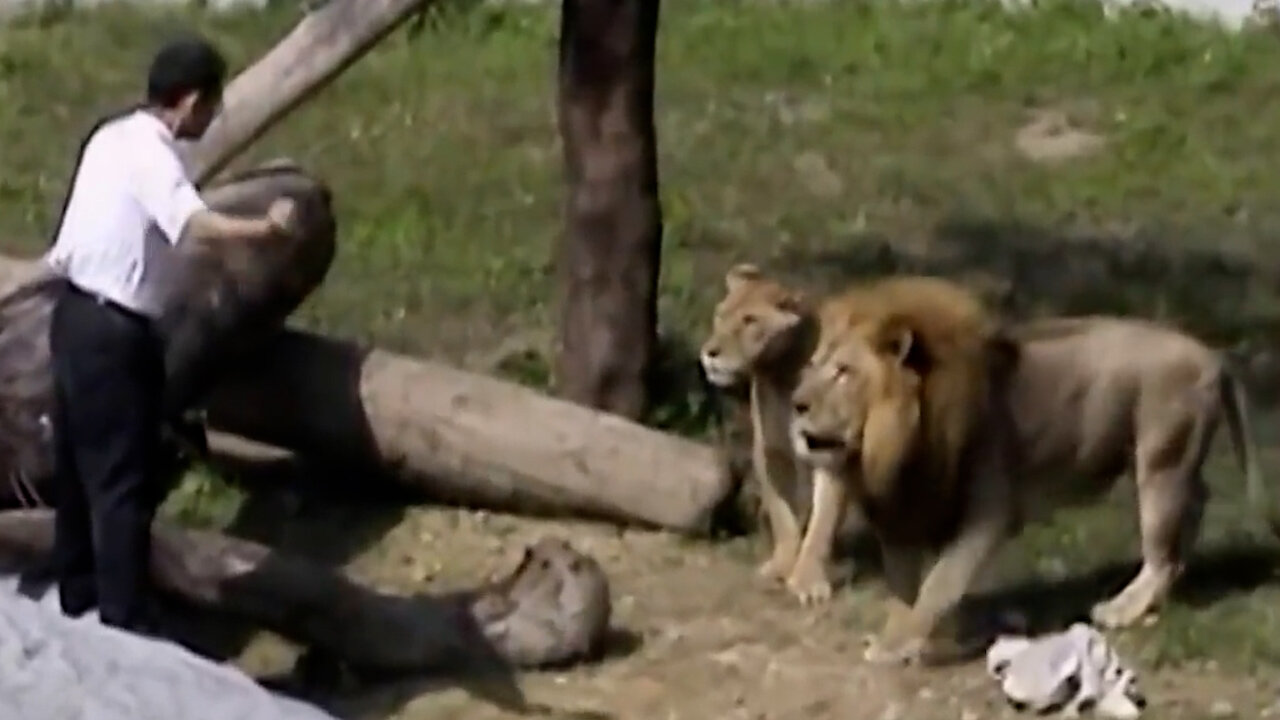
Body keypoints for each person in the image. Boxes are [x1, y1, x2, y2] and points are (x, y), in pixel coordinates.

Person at [42, 35, 296, 633]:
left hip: (72, 316)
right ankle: (123, 623)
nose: (211, 119)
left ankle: (74, 601)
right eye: (211, 105)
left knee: (78, 476)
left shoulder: (110, 137)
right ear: (188, 101)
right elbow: (195, 226)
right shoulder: (154, 157)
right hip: (113, 332)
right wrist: (267, 229)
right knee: (121, 485)